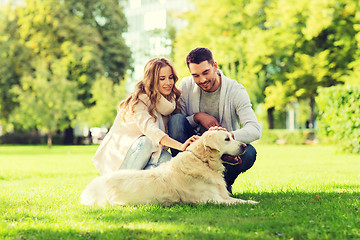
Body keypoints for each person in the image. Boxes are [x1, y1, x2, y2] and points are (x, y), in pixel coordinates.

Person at [168, 47, 261, 193]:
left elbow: (255, 130)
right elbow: (178, 123)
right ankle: (184, 184)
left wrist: (225, 136)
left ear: (215, 66)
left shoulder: (236, 91)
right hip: (195, 151)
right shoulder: (186, 85)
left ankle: (221, 186)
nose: (202, 80)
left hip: (221, 152)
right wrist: (198, 117)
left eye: (206, 72)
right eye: (196, 75)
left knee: (249, 153)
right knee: (176, 121)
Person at [92, 57, 199, 175]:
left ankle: (138, 186)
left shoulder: (170, 102)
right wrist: (181, 146)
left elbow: (180, 122)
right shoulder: (139, 100)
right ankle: (122, 184)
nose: (168, 83)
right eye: (162, 79)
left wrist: (198, 117)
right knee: (146, 142)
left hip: (151, 153)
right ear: (152, 80)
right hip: (123, 156)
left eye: (170, 77)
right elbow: (151, 131)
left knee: (168, 162)